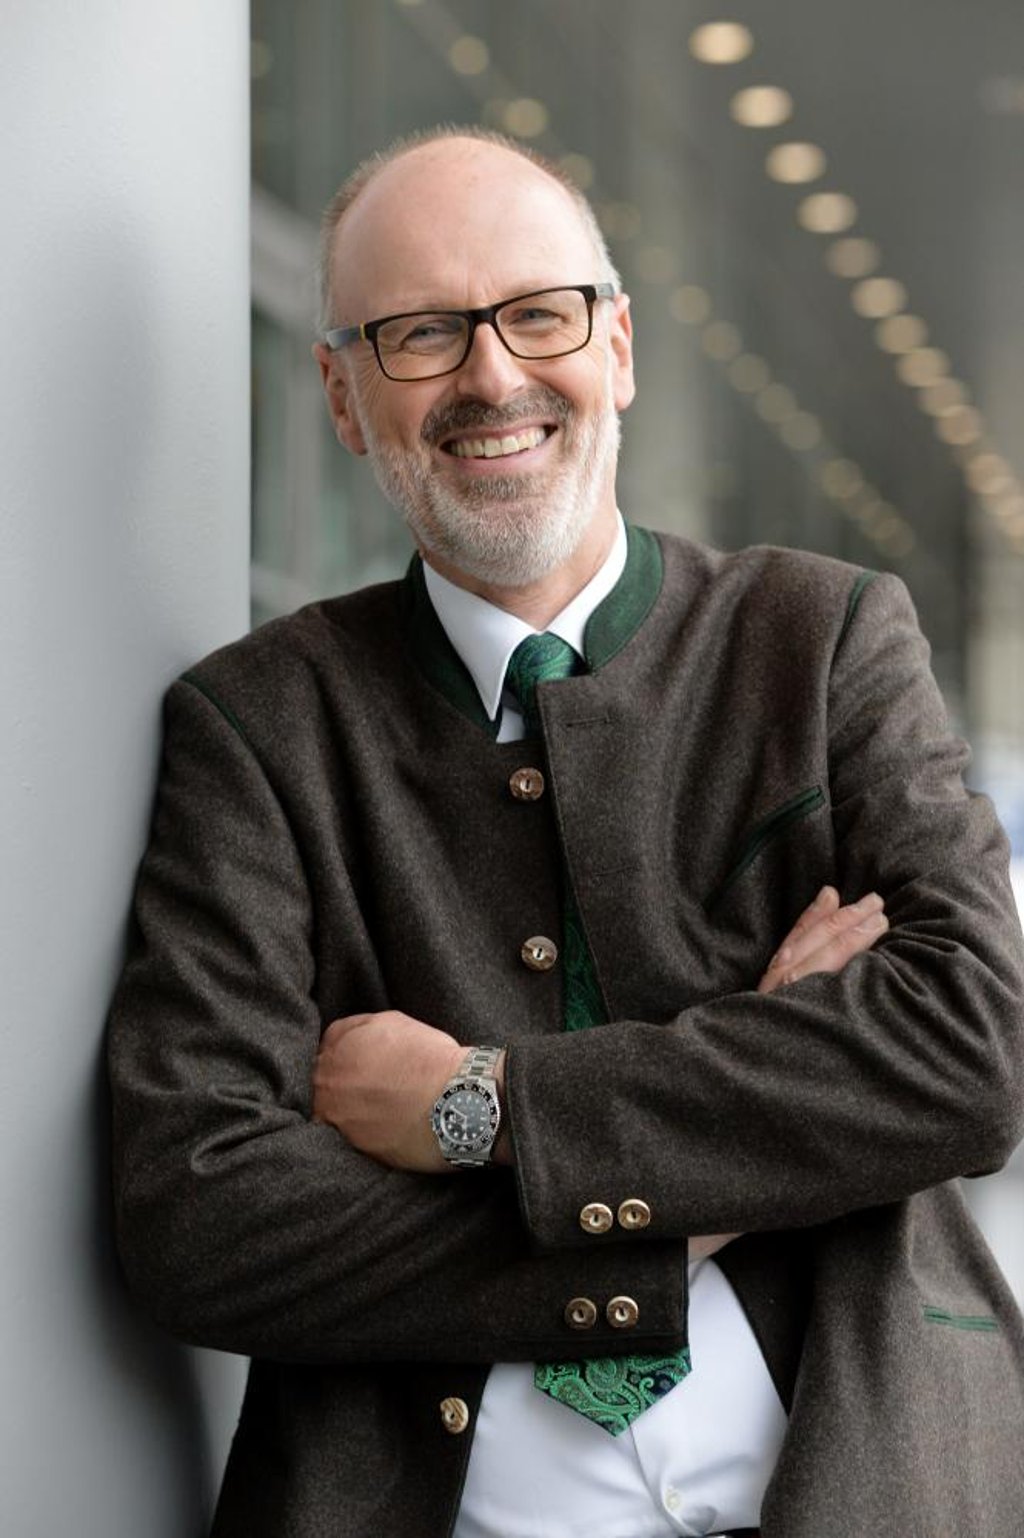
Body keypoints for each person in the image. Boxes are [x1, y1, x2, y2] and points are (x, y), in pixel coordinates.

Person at [108, 127, 1024, 1538]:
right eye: (420, 334)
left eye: (539, 314)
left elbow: (969, 1051)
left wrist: (479, 1106)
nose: (492, 376)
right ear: (344, 398)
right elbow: (203, 1217)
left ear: (621, 347)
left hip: (873, 1478)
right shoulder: (259, 729)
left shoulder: (826, 634)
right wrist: (712, 1185)